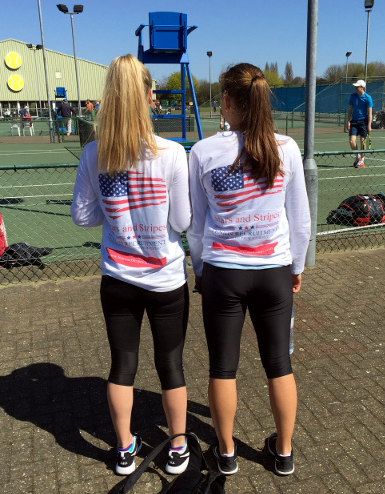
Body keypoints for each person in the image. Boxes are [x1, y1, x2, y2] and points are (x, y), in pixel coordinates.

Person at [187, 63, 311, 477]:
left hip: (223, 272)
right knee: (279, 364)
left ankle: (225, 454)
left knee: (223, 367)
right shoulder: (287, 148)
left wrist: (201, 268)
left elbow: (196, 224)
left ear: (226, 102)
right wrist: (296, 267)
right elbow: (301, 221)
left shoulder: (203, 152)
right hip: (274, 271)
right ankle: (285, 453)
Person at [71, 54, 191, 476]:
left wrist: (116, 209)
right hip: (165, 280)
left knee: (122, 363)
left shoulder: (93, 154)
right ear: (149, 95)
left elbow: (83, 216)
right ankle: (178, 448)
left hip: (118, 278)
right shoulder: (172, 153)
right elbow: (182, 221)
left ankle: (124, 450)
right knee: (170, 365)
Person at [347, 79, 373, 169]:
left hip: (363, 122)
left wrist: (369, 125)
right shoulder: (353, 96)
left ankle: (362, 161)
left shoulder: (368, 98)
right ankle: (357, 156)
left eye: (357, 86)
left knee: (362, 141)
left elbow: (370, 113)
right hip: (354, 121)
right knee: (351, 141)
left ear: (362, 88)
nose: (355, 88)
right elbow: (350, 110)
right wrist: (348, 121)